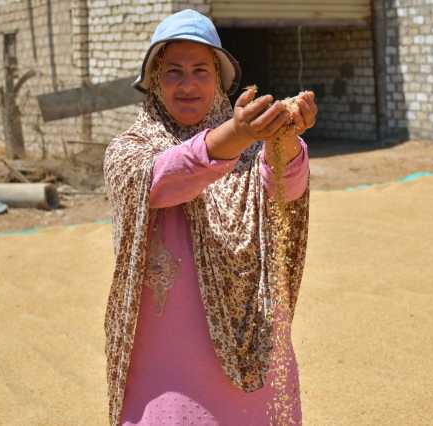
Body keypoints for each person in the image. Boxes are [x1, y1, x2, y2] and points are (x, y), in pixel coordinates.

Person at [103, 9, 317, 426]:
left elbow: (287, 190)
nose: (188, 84)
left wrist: (285, 139)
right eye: (174, 72)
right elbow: (163, 180)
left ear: (218, 79)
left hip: (253, 342)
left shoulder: (253, 145)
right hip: (166, 364)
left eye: (201, 70)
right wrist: (236, 135)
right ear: (155, 81)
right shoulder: (130, 148)